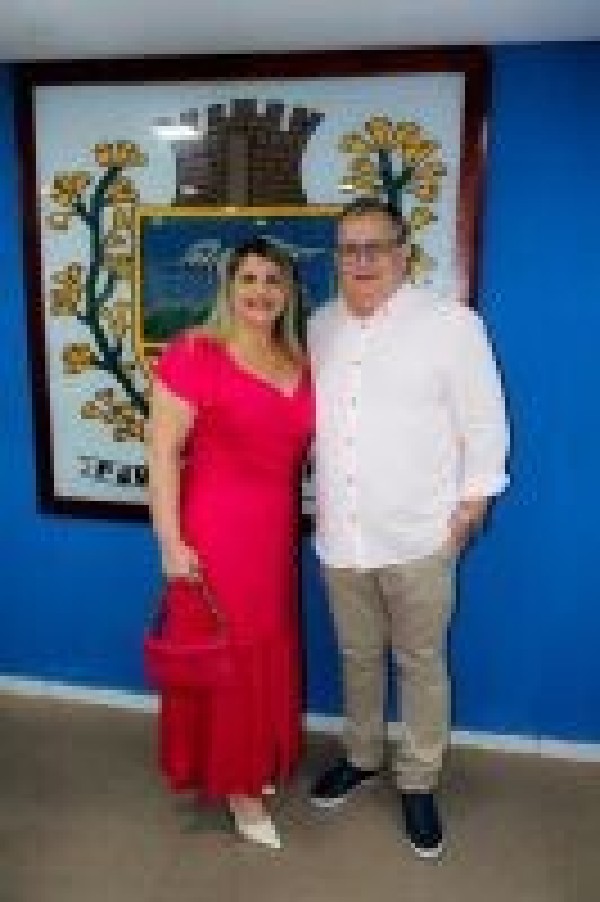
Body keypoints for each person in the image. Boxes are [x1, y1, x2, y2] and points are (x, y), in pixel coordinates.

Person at [307, 197, 509, 858]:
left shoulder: (452, 326)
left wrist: (469, 512)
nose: (361, 260)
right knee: (358, 657)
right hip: (342, 538)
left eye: (375, 246)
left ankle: (418, 779)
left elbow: (485, 423)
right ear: (337, 257)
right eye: (349, 248)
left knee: (421, 663)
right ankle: (362, 755)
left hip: (420, 537)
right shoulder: (320, 326)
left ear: (404, 253)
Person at [148, 237, 314, 850]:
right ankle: (239, 789)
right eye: (249, 278)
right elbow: (161, 452)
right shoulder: (196, 352)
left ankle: (251, 758)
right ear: (229, 286)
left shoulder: (298, 361)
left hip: (272, 537)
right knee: (229, 654)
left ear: (289, 292)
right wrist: (170, 542)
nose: (261, 291)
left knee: (264, 646)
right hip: (215, 532)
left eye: (274, 280)